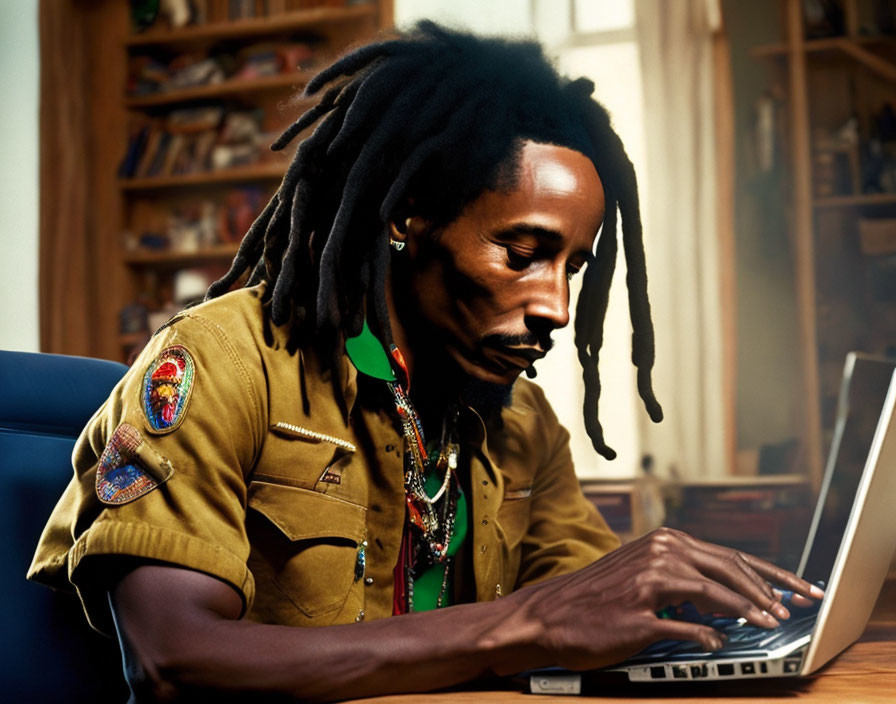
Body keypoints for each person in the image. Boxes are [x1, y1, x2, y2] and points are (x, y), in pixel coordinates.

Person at [29, 22, 823, 702]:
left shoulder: (521, 422)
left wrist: (720, 619)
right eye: (521, 253)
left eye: (572, 267)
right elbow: (173, 659)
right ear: (409, 219)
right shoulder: (221, 364)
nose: (555, 306)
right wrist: (521, 624)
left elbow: (581, 602)